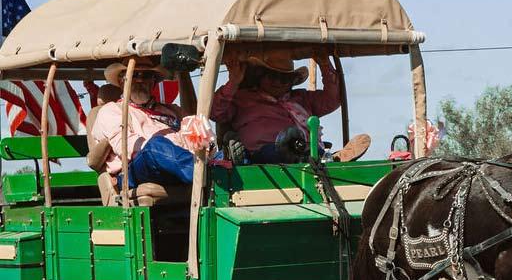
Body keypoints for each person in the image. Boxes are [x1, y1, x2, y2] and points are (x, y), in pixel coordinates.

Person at [211, 53, 370, 163]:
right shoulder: (242, 98)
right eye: (273, 76)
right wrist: (233, 82)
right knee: (275, 151)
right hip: (262, 155)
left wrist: (324, 64)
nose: (278, 82)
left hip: (306, 149)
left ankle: (327, 158)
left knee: (310, 151)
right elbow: (215, 112)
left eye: (284, 78)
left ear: (292, 81)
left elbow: (333, 99)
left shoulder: (302, 98)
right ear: (261, 76)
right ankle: (327, 160)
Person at [91, 58, 204, 189]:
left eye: (146, 75)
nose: (140, 80)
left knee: (221, 153)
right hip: (136, 168)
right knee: (155, 145)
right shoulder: (112, 110)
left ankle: (212, 168)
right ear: (122, 81)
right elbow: (125, 145)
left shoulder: (172, 110)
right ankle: (205, 174)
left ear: (153, 82)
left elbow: (195, 132)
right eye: (134, 75)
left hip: (175, 164)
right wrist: (168, 150)